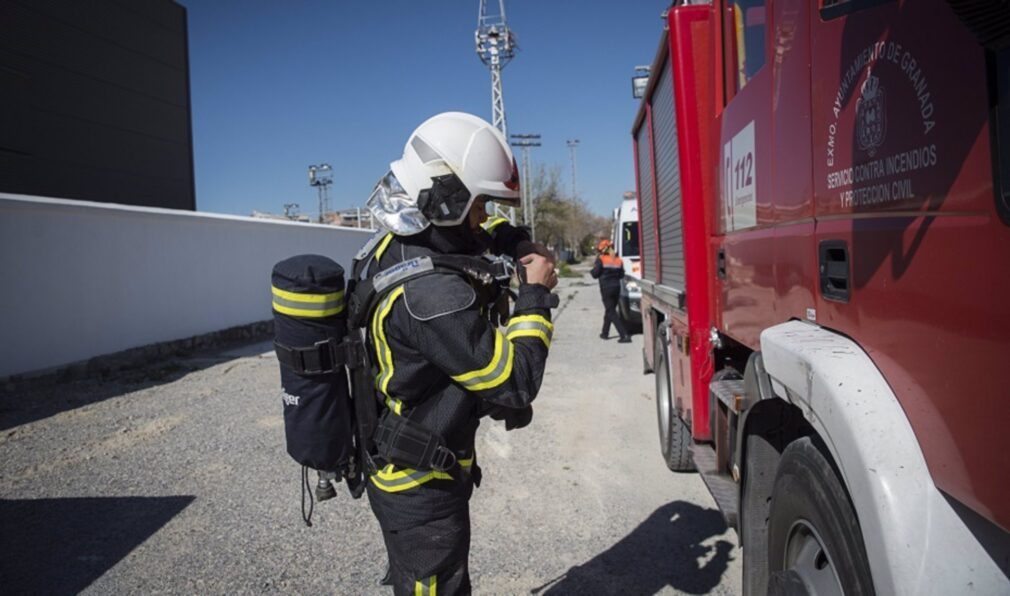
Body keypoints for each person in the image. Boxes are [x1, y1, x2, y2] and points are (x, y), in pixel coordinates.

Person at [360, 112, 558, 595]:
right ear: (446, 199)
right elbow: (514, 383)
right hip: (420, 488)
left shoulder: (403, 240)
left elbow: (477, 234)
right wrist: (534, 297)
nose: (482, 216)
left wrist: (517, 240)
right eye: (478, 203)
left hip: (409, 466)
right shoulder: (433, 298)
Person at [590, 238, 631, 343]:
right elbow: (621, 274)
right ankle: (605, 333)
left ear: (604, 249)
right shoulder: (618, 260)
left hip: (606, 288)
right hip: (616, 287)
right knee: (610, 309)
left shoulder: (601, 260)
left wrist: (594, 265)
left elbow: (594, 274)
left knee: (611, 311)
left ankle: (624, 335)